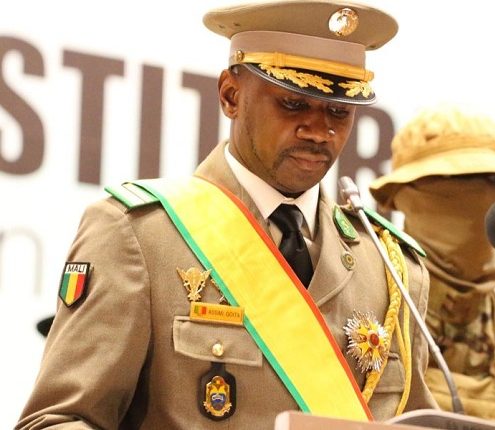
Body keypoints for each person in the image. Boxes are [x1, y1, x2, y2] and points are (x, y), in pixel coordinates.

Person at [16, 1, 437, 428]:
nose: (318, 131)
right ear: (230, 96)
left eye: (339, 111)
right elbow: (58, 420)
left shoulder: (390, 268)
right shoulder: (138, 235)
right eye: (293, 104)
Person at [369, 105, 495, 420]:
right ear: (403, 195)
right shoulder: (372, 289)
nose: (480, 196)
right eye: (453, 181)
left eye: (491, 180)